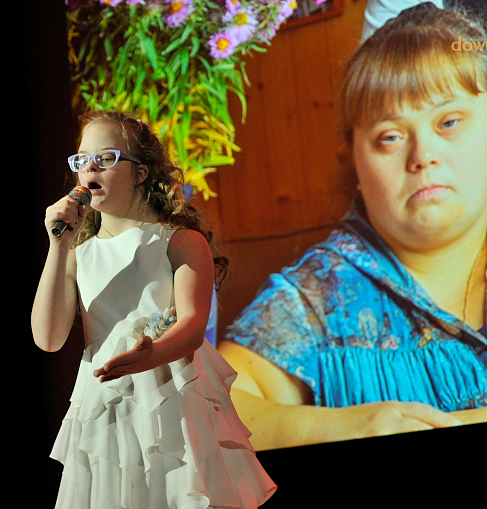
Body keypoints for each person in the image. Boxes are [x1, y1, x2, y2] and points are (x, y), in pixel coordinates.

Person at [218, 3, 487, 452]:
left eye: (449, 121)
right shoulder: (320, 293)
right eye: (390, 136)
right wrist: (337, 429)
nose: (422, 154)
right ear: (355, 164)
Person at [31, 112, 276, 508]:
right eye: (81, 160)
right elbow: (48, 338)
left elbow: (193, 325)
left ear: (141, 173)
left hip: (170, 397)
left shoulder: (178, 242)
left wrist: (153, 353)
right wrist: (58, 245)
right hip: (107, 404)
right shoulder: (78, 253)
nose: (89, 167)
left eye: (105, 158)